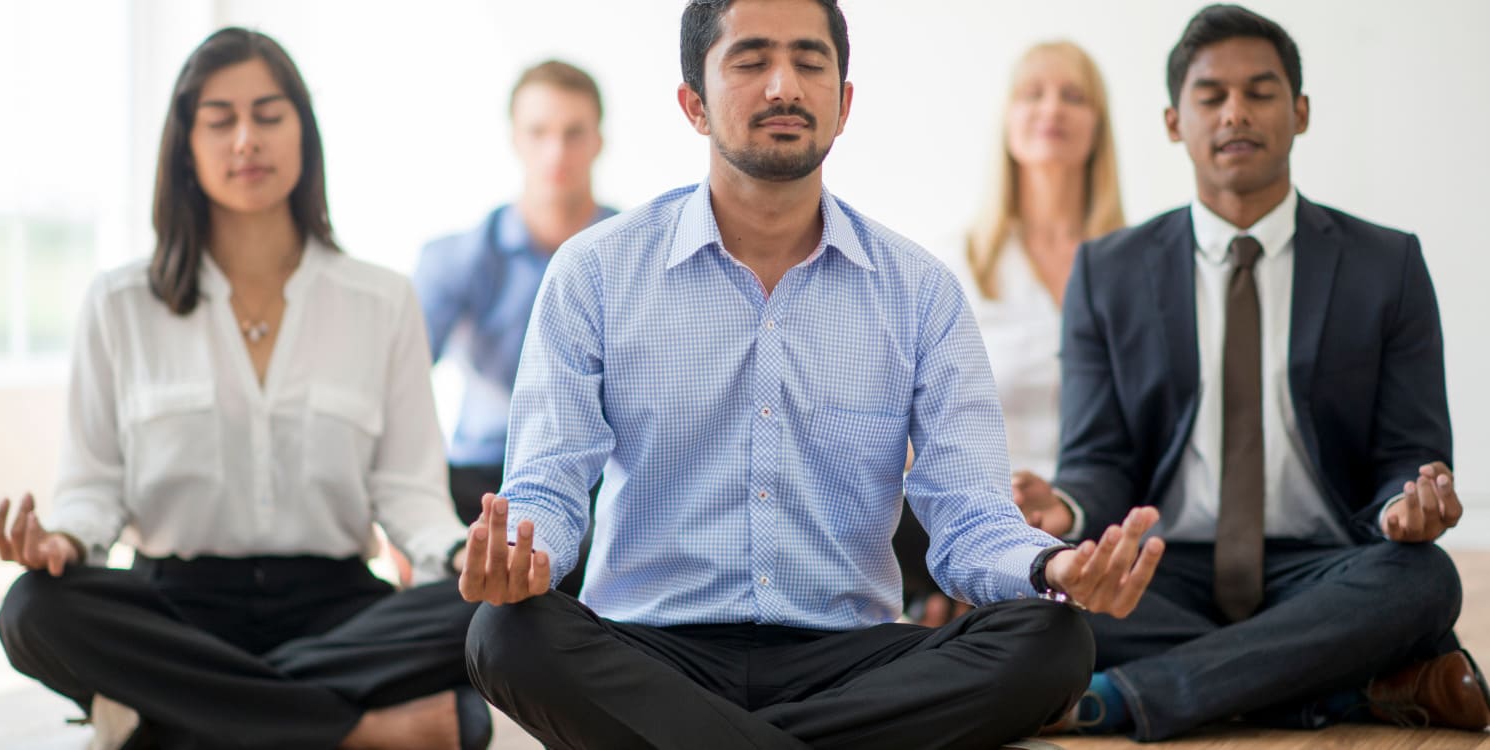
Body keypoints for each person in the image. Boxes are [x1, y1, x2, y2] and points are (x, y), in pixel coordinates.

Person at [455, 1, 1164, 748]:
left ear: (843, 102)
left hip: (848, 659)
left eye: (810, 62)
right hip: (648, 648)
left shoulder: (920, 291)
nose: (783, 86)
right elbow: (548, 489)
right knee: (503, 633)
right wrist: (523, 560)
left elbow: (969, 520)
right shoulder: (595, 273)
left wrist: (1051, 564)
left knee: (1054, 641)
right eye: (752, 61)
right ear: (693, 104)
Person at [0, 28, 489, 750]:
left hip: (337, 606)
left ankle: (169, 720)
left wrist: (462, 557)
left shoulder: (382, 300)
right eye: (220, 120)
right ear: (186, 147)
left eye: (268, 114)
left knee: (499, 616)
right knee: (32, 609)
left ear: (303, 132)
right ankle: (360, 731)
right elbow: (93, 487)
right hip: (176, 608)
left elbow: (409, 492)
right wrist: (62, 539)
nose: (246, 139)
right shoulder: (120, 302)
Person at [1021, 4, 1490, 740]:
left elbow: (1411, 448)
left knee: (1426, 578)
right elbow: (1099, 459)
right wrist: (1068, 511)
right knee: (1031, 606)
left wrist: (1408, 504)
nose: (1236, 111)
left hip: (1325, 567)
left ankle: (1126, 696)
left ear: (1300, 112)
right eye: (1211, 96)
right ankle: (1341, 689)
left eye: (1261, 92)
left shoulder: (1385, 265)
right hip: (1163, 569)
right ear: (1175, 121)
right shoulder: (1108, 273)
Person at [899, 40, 1126, 627]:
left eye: (1073, 96)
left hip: (1096, 513)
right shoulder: (952, 266)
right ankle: (974, 606)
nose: (1052, 109)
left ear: (1097, 125)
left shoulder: (1140, 267)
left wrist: (1067, 506)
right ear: (1007, 121)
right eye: (1033, 94)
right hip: (979, 514)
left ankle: (976, 624)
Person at [413, 59, 612, 594]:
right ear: (514, 139)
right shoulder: (456, 259)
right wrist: (404, 520)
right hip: (478, 478)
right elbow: (396, 389)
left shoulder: (633, 257)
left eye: (573, 133)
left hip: (595, 483)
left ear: (598, 140)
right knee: (475, 590)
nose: (556, 152)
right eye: (539, 132)